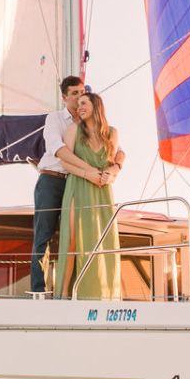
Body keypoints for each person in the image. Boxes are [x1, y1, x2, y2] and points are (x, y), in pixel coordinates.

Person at [56, 91, 124, 300]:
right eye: (78, 104)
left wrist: (112, 173)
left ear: (96, 105)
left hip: (102, 192)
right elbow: (64, 162)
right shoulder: (73, 129)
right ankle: (64, 294)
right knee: (73, 241)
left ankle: (101, 293)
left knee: (101, 242)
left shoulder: (112, 133)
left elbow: (114, 161)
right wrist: (88, 174)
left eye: (84, 103)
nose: (80, 107)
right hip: (78, 185)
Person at [30, 76, 84, 296]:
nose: (80, 97)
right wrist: (89, 169)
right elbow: (57, 149)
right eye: (74, 93)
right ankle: (39, 290)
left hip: (76, 181)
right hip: (52, 179)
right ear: (64, 97)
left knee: (72, 236)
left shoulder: (89, 120)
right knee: (44, 235)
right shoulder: (55, 119)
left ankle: (70, 289)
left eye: (82, 92)